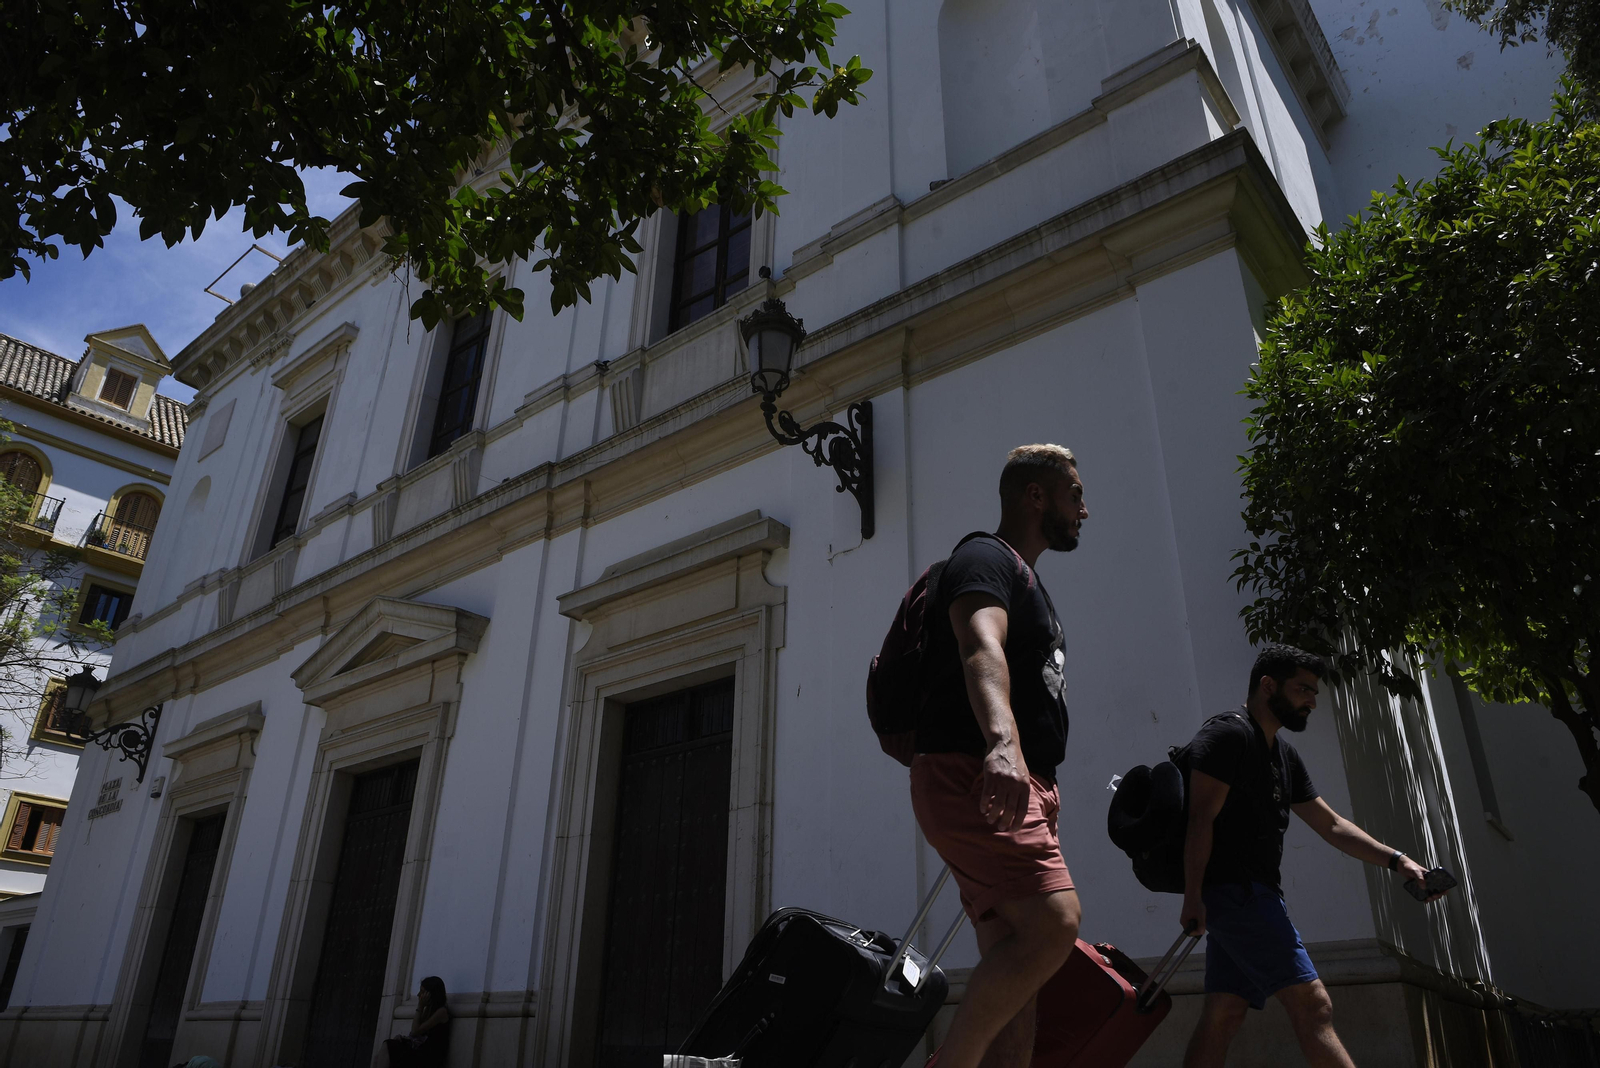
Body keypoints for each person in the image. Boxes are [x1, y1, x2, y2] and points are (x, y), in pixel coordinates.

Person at [1179, 644, 1452, 1068]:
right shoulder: (1227, 736)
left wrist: (1399, 860)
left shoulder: (1283, 755)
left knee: (1224, 1012)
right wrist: (1193, 896)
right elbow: (1200, 821)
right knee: (1314, 1004)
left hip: (1254, 893)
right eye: (1303, 689)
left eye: (1314, 692)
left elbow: (1332, 826)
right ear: (1268, 686)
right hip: (1236, 893)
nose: (1312, 700)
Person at [911, 443, 1088, 1068]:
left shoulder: (1026, 578)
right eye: (1075, 494)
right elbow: (979, 643)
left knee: (1019, 977)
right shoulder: (986, 558)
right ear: (1035, 496)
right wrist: (1004, 745)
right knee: (1054, 924)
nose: (1084, 510)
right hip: (980, 775)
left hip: (1017, 785)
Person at [371, 975, 451, 1068]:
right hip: (419, 1050)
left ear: (430, 994)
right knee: (380, 1055)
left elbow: (415, 1031)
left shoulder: (441, 1012)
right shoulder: (429, 1009)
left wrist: (420, 1006)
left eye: (422, 992)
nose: (418, 995)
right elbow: (414, 1034)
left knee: (388, 1046)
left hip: (429, 1056)